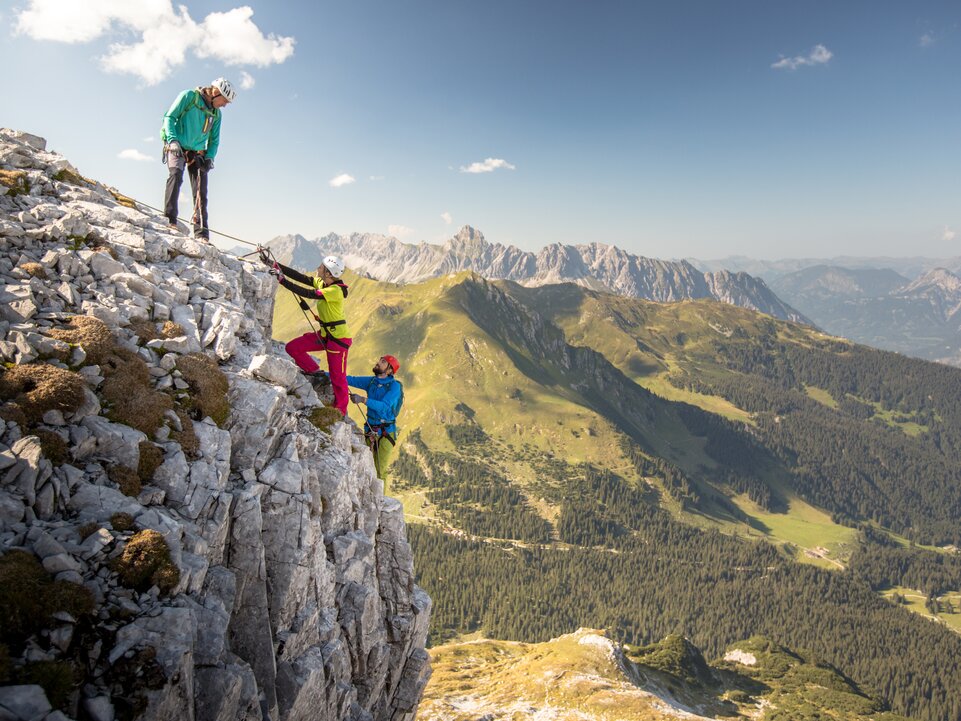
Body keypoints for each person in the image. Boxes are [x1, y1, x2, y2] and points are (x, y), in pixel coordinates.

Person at [262, 253, 353, 415]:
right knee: (293, 348)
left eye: (321, 267)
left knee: (338, 377)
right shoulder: (324, 283)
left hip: (338, 340)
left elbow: (308, 293)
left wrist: (282, 280)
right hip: (326, 335)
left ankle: (340, 411)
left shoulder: (335, 291)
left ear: (328, 273)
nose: (318, 268)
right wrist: (274, 264)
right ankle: (315, 372)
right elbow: (302, 278)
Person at [161, 77, 235, 240]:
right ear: (216, 92)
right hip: (177, 144)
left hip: (198, 152)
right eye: (225, 100)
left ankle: (202, 233)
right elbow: (169, 118)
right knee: (176, 176)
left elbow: (214, 140)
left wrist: (210, 157)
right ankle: (169, 220)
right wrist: (172, 140)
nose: (225, 105)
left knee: (201, 191)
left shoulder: (216, 114)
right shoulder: (188, 96)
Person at [347, 355, 404, 482]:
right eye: (380, 360)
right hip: (370, 428)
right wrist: (325, 374)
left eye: (383, 362)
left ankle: (380, 501)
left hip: (385, 432)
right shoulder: (372, 381)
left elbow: (384, 407)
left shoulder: (394, 387)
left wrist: (362, 399)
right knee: (367, 466)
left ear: (389, 370)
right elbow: (351, 380)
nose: (378, 362)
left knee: (380, 470)